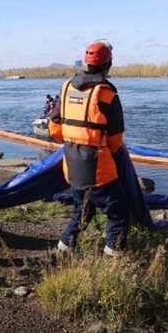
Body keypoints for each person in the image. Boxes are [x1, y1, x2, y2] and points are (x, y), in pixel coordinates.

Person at [48, 39, 130, 257]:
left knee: (82, 209)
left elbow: (54, 126)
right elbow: (115, 138)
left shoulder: (66, 88)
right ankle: (114, 259)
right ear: (107, 65)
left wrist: (72, 139)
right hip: (96, 165)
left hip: (71, 162)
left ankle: (63, 251)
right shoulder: (107, 94)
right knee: (118, 212)